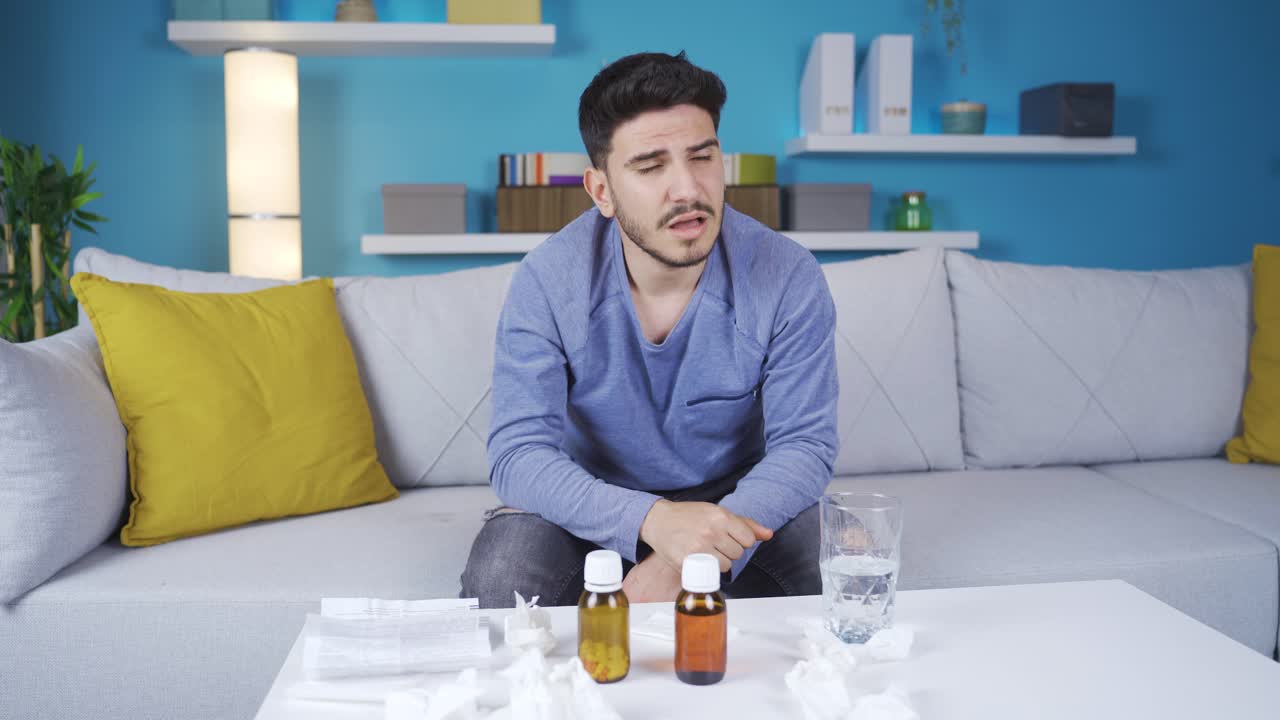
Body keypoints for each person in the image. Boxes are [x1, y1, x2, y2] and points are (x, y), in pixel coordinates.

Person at [460, 51, 838, 607]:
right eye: (651, 166)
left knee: (834, 560)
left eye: (702, 157)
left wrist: (691, 554)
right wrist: (656, 523)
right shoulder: (548, 280)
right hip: (589, 508)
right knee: (501, 576)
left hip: (730, 507)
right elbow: (519, 454)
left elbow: (804, 446)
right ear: (601, 190)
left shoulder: (788, 274)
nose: (687, 189)